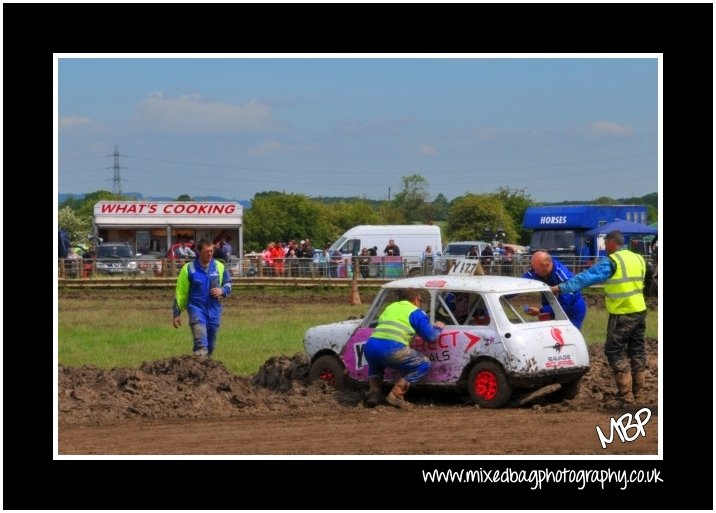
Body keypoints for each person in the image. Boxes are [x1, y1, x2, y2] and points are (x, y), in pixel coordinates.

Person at [551, 230, 647, 404]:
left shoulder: (612, 261)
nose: (604, 247)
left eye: (605, 243)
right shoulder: (638, 258)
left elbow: (587, 277)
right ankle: (638, 393)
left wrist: (560, 288)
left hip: (622, 312)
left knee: (614, 350)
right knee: (637, 350)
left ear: (611, 242)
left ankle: (625, 396)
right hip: (640, 310)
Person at [364, 288, 445, 409]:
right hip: (392, 349)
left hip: (370, 346)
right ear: (416, 299)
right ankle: (396, 394)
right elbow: (431, 336)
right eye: (420, 300)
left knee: (376, 364)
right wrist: (438, 327)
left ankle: (373, 394)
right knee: (424, 363)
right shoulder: (416, 312)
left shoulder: (390, 307)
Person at [172, 239, 232, 357]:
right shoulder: (188, 269)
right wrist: (176, 314)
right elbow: (181, 293)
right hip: (196, 310)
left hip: (214, 310)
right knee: (201, 344)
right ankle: (198, 368)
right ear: (199, 252)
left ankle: (206, 370)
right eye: (207, 251)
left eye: (211, 251)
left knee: (211, 345)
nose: (210, 254)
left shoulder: (219, 267)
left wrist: (222, 290)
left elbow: (228, 283)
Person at [523, 251, 587, 330]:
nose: (535, 272)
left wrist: (540, 310)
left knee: (568, 335)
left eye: (537, 269)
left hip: (572, 309)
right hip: (553, 305)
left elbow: (564, 305)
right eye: (533, 268)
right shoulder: (539, 270)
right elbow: (522, 281)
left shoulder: (563, 277)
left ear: (547, 265)